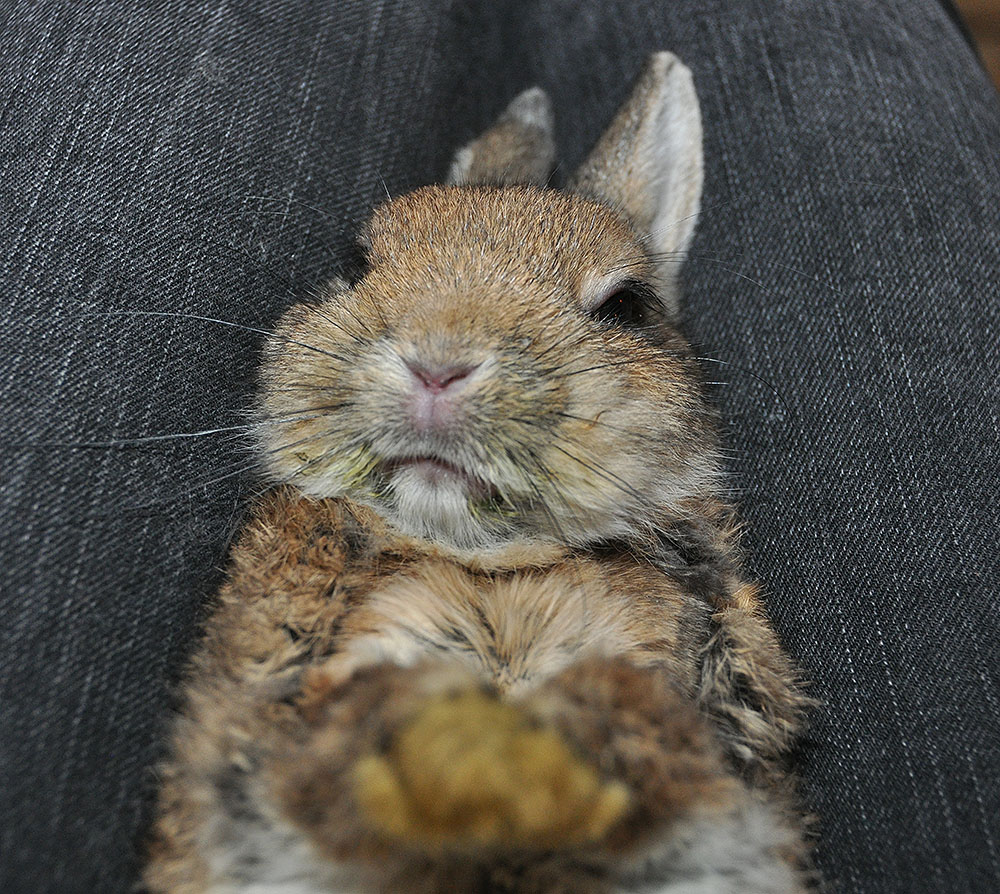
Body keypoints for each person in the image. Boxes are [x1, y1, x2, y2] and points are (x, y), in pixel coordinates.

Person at [1, 2, 997, 891]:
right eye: (365, 270)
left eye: (617, 307)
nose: (433, 361)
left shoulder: (681, 567)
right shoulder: (296, 540)